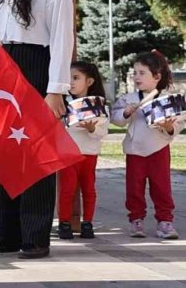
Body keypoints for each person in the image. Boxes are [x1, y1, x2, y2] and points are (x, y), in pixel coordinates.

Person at [0, 0, 74, 260]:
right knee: (7, 154)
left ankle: (35, 236)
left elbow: (62, 39)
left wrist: (56, 89)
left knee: (35, 156)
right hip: (5, 72)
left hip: (37, 70)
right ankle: (8, 231)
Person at [111, 51, 183, 240]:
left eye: (142, 73)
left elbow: (177, 124)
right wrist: (126, 113)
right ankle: (136, 220)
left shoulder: (169, 101)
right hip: (135, 151)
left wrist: (168, 127)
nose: (136, 77)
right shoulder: (129, 99)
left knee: (162, 187)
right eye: (135, 73)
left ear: (157, 77)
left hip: (158, 151)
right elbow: (117, 120)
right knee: (134, 188)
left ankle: (165, 221)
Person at [57, 61, 109, 240]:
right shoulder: (63, 103)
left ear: (89, 81)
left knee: (89, 190)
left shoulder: (100, 106)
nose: (71, 82)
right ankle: (64, 223)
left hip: (89, 154)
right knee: (67, 190)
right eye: (68, 78)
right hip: (68, 155)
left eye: (76, 78)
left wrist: (92, 128)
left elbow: (103, 131)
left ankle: (87, 223)